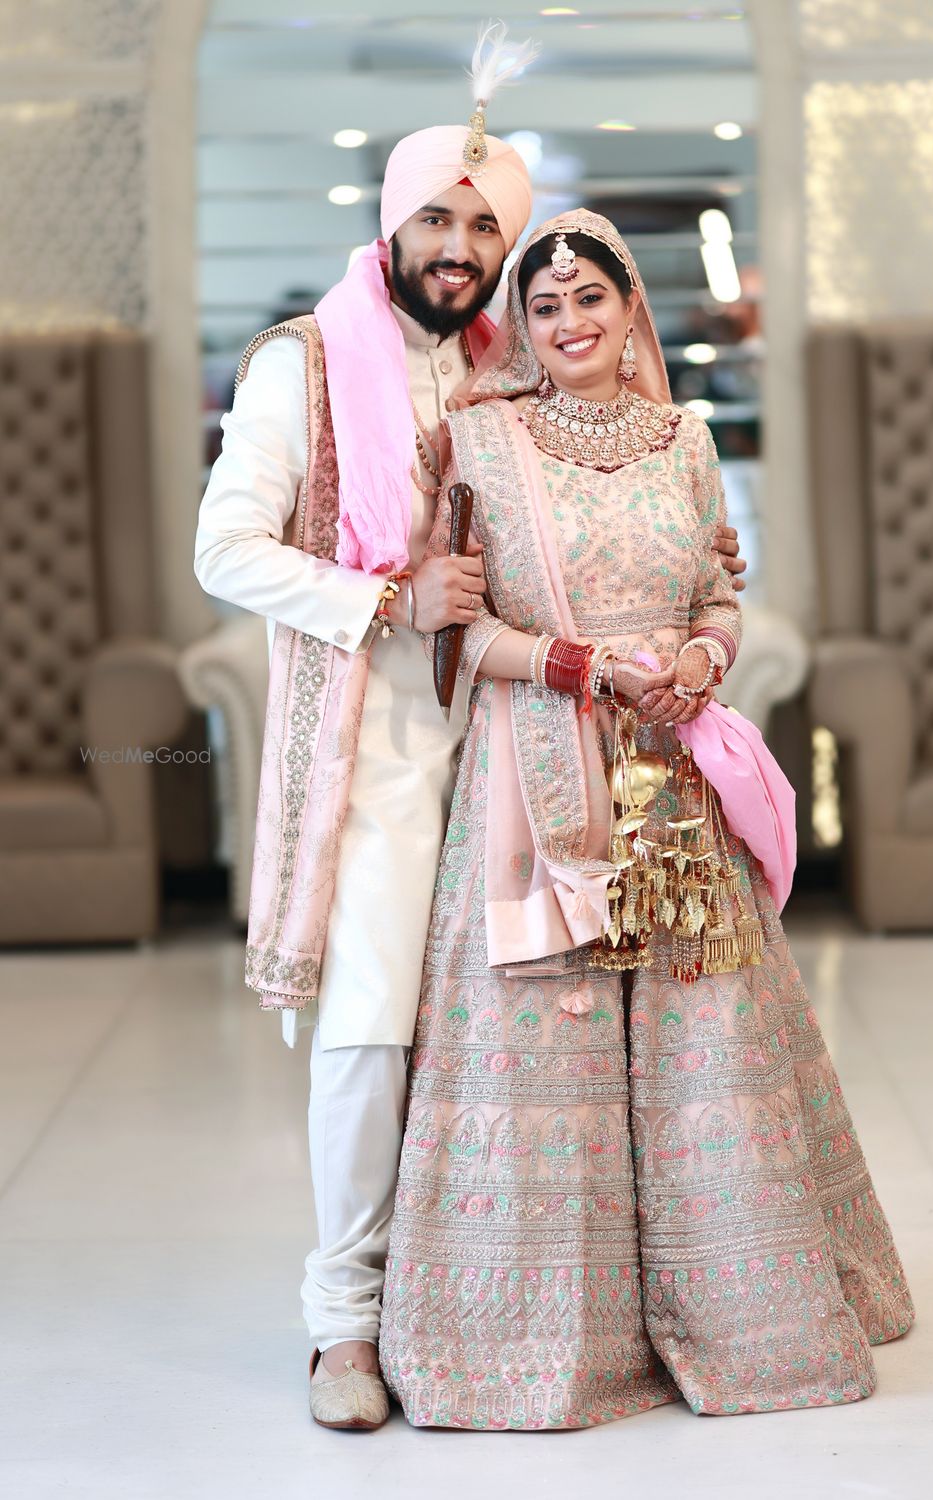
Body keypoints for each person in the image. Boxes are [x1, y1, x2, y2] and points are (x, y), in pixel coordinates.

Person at [194, 40, 752, 1430]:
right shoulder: (306, 367)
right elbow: (226, 551)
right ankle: (343, 1326)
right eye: (435, 220)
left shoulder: (504, 370)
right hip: (388, 754)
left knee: (517, 1038)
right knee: (375, 1032)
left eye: (482, 226)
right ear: (389, 226)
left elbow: (605, 497)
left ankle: (504, 1302)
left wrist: (692, 545)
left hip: (518, 742)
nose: (459, 248)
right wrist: (387, 598)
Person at [379, 210, 915, 1430]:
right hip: (537, 781)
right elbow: (457, 632)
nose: (568, 323)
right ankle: (550, 1341)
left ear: (631, 316)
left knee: (700, 1039)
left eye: (591, 300)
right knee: (546, 1045)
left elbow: (720, 588)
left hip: (672, 780)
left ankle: (739, 1315)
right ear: (519, 324)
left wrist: (702, 657)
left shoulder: (684, 438)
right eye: (545, 304)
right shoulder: (477, 441)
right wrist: (585, 667)